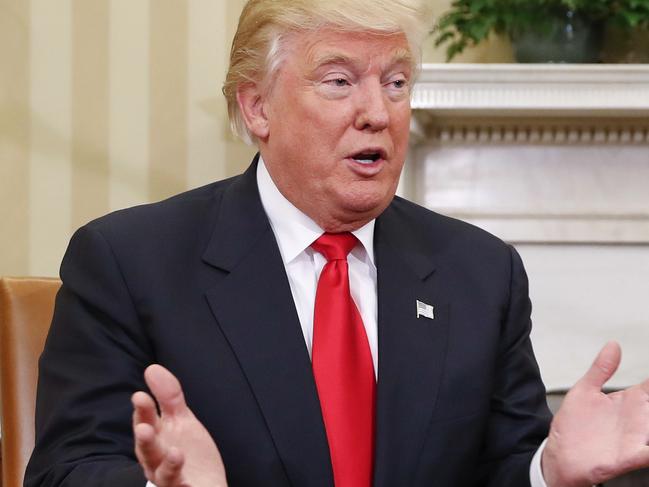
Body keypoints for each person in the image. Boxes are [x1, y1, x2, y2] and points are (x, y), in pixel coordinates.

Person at [25, 1, 649, 486]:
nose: (378, 112)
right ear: (258, 107)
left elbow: (502, 469)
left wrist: (550, 473)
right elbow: (64, 470)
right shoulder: (129, 262)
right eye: (338, 81)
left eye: (397, 82)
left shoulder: (481, 273)